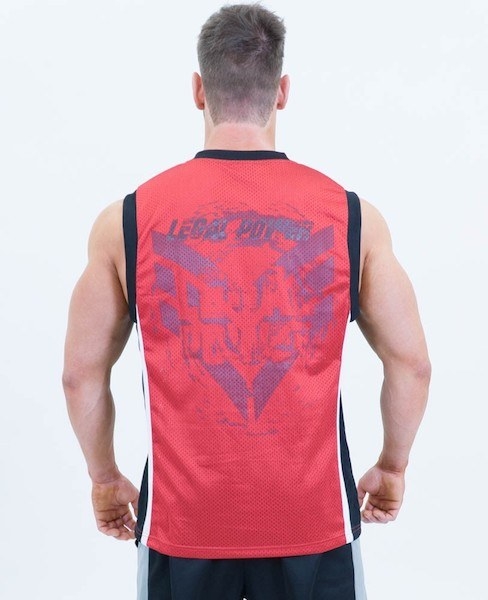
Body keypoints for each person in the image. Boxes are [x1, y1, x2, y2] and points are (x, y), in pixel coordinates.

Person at [62, 4, 431, 599]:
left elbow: (80, 376)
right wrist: (392, 466)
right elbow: (412, 364)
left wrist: (104, 478)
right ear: (281, 92)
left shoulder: (127, 220)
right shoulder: (353, 217)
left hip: (181, 527)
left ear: (197, 90)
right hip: (314, 524)